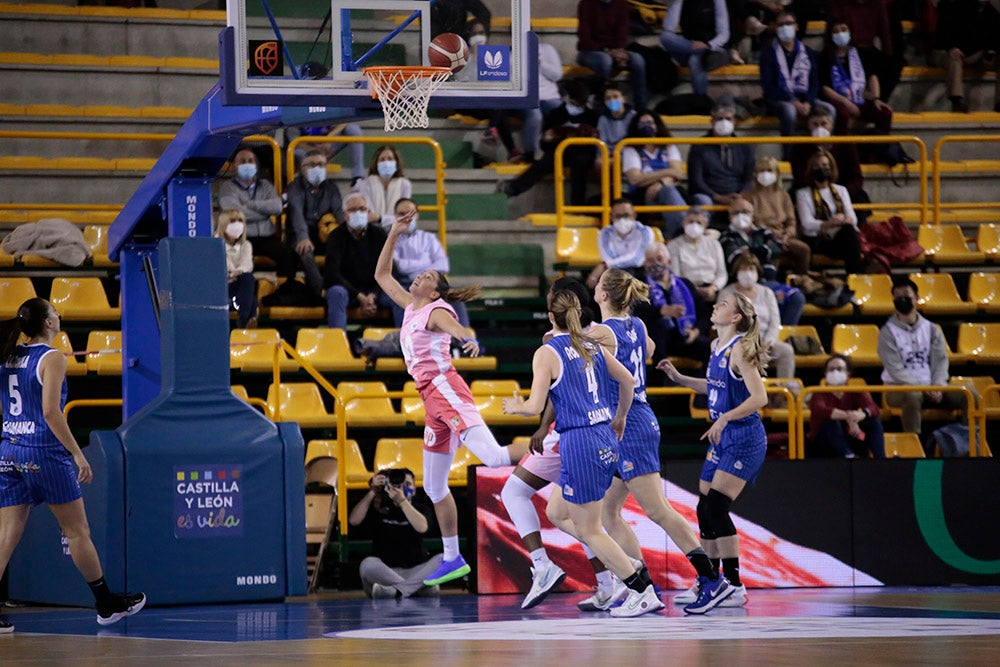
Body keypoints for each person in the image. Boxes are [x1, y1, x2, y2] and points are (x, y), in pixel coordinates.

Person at [374, 213, 528, 587]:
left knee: (491, 458)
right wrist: (394, 233)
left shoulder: (436, 310)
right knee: (434, 487)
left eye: (427, 277)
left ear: (436, 291)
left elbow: (454, 326)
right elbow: (381, 276)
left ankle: (558, 446)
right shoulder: (411, 307)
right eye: (420, 274)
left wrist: (466, 338)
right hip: (431, 400)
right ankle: (453, 557)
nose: (419, 277)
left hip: (445, 388)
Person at [502, 289, 663, 618]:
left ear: (551, 317)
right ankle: (624, 560)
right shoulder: (592, 344)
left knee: (591, 529)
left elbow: (534, 405)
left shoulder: (548, 352)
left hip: (580, 442)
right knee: (557, 512)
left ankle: (639, 588)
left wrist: (514, 407)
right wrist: (619, 418)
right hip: (605, 436)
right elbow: (629, 380)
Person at [0, 299, 147, 633]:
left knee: (6, 534)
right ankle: (106, 604)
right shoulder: (52, 358)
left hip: (9, 449)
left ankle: (107, 602)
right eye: (54, 310)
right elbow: (51, 411)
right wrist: (77, 455)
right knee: (77, 531)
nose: (59, 314)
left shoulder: (9, 355)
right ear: (48, 323)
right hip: (43, 452)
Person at [591, 269, 729, 606]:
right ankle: (643, 587)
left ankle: (712, 577)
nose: (593, 287)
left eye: (597, 285)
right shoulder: (636, 325)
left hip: (630, 423)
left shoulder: (602, 332)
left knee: (658, 510)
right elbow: (649, 350)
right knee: (608, 512)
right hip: (632, 421)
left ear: (605, 295)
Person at [657, 291, 769, 614]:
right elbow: (714, 385)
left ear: (735, 318)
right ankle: (710, 581)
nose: (715, 307)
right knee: (704, 509)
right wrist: (679, 379)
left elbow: (759, 397)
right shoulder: (714, 346)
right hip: (723, 435)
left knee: (716, 507)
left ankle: (733, 584)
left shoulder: (740, 351)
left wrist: (725, 417)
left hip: (744, 436)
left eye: (723, 305)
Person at [878, 277, 967, 437]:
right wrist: (922, 388)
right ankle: (914, 444)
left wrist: (938, 386)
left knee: (968, 395)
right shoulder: (887, 332)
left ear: (917, 298)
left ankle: (969, 440)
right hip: (898, 388)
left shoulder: (932, 329)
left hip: (932, 387)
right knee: (913, 395)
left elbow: (940, 361)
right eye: (897, 297)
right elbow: (894, 369)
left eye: (906, 295)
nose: (902, 299)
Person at [498, 79, 599, 206]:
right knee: (544, 162)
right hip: (560, 151)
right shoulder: (556, 114)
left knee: (580, 164)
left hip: (583, 152)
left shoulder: (592, 116)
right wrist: (548, 138)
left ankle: (577, 205)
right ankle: (513, 188)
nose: (576, 105)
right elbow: (544, 143)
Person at [348, 467, 442, 598]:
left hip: (415, 571)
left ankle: (396, 591)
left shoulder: (421, 508)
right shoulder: (379, 507)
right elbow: (354, 520)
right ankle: (415, 589)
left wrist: (402, 501)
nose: (402, 489)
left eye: (407, 485)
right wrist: (372, 491)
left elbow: (422, 527)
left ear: (414, 490)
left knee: (443, 559)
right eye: (398, 485)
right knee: (367, 564)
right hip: (385, 573)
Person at [759, 10, 836, 158]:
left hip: (805, 98)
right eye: (781, 24)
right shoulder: (768, 55)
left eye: (789, 23)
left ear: (797, 27)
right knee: (789, 111)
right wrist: (793, 102)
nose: (785, 27)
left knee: (830, 110)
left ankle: (825, 154)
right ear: (775, 28)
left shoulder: (807, 52)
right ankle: (789, 157)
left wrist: (808, 101)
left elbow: (814, 82)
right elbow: (768, 87)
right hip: (779, 99)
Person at [217, 147, 298, 280]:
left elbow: (277, 207)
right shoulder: (228, 187)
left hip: (267, 236)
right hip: (241, 238)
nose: (247, 164)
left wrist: (249, 205)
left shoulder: (265, 185)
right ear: (234, 166)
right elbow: (232, 212)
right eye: (242, 161)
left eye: (250, 161)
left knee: (288, 254)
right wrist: (265, 211)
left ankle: (284, 291)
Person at [389, 197, 470, 328]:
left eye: (410, 213)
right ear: (395, 217)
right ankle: (406, 344)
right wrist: (426, 263)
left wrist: (414, 268)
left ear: (417, 215)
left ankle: (465, 342)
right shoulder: (392, 240)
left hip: (432, 284)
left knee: (454, 296)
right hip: (406, 284)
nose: (406, 217)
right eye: (401, 214)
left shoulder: (429, 238)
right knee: (403, 298)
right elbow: (400, 267)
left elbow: (443, 266)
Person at [719, 254, 795, 381]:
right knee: (745, 356)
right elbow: (724, 324)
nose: (747, 273)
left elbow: (775, 322)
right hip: (740, 343)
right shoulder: (727, 294)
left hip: (765, 342)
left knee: (786, 351)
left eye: (751, 269)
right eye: (743, 269)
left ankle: (783, 393)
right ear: (736, 272)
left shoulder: (767, 293)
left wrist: (767, 344)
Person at [323, 192, 393, 330]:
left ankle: (406, 345)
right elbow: (332, 274)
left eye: (361, 209)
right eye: (352, 210)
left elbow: (387, 269)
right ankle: (338, 345)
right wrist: (360, 297)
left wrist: (373, 295)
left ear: (368, 212)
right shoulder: (335, 237)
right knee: (336, 293)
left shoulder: (380, 235)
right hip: (347, 290)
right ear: (345, 215)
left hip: (375, 290)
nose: (358, 213)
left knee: (399, 295)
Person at [635, 241, 712, 365]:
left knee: (709, 347)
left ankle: (707, 383)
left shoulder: (685, 284)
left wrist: (696, 331)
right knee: (658, 327)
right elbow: (637, 312)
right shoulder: (640, 286)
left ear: (669, 262)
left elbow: (705, 314)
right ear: (645, 265)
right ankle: (663, 381)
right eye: (650, 260)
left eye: (659, 259)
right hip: (657, 341)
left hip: (687, 336)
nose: (656, 264)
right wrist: (661, 311)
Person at [789, 106, 868, 222]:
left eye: (823, 123)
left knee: (860, 199)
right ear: (809, 126)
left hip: (842, 190)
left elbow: (856, 177)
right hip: (811, 189)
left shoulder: (846, 144)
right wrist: (821, 191)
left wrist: (839, 193)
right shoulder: (800, 147)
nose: (819, 128)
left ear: (831, 125)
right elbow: (799, 178)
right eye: (815, 124)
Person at [794, 149, 866, 274]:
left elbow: (853, 219)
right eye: (817, 166)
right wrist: (829, 223)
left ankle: (855, 279)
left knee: (849, 232)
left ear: (831, 168)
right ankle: (857, 276)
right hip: (818, 239)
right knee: (850, 239)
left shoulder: (841, 190)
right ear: (811, 170)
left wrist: (843, 219)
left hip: (840, 237)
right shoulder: (803, 193)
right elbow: (807, 223)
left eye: (825, 165)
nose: (821, 169)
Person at [687, 100, 756, 226]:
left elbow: (748, 179)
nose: (724, 122)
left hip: (737, 195)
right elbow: (696, 181)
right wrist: (718, 197)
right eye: (719, 119)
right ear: (712, 121)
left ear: (734, 121)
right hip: (709, 195)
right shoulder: (699, 146)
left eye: (728, 119)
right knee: (703, 201)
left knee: (750, 202)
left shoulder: (745, 147)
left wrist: (739, 196)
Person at [819, 19, 893, 137]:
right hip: (838, 99)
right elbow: (825, 88)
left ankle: (879, 148)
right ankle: (841, 149)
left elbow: (872, 77)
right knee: (842, 113)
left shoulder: (862, 53)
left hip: (860, 97)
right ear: (830, 35)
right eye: (836, 31)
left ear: (850, 32)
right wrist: (847, 103)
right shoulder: (824, 57)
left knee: (885, 113)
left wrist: (876, 98)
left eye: (843, 30)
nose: (840, 34)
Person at [285, 149, 343, 296]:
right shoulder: (294, 187)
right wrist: (303, 237)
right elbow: (296, 214)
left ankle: (340, 287)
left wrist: (348, 233)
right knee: (305, 252)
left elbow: (339, 212)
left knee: (341, 247)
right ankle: (321, 292)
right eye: (312, 165)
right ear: (302, 168)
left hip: (322, 233)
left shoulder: (331, 188)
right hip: (299, 233)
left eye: (321, 164)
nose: (317, 168)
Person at [620, 111, 687, 237]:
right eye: (643, 123)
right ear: (636, 127)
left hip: (667, 193)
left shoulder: (668, 146)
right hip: (644, 197)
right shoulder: (630, 148)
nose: (647, 126)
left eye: (650, 123)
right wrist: (667, 172)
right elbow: (635, 179)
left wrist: (661, 183)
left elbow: (678, 173)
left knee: (669, 192)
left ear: (657, 125)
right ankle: (683, 232)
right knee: (669, 192)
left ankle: (677, 234)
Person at [742, 155, 811, 276]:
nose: (765, 174)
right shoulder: (748, 196)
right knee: (773, 252)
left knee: (803, 249)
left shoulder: (784, 195)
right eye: (761, 171)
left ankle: (800, 281)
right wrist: (769, 235)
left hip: (783, 236)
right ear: (755, 174)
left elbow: (791, 221)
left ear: (777, 173)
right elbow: (748, 222)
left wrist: (787, 235)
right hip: (760, 238)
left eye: (769, 170)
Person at [929, 0, 1000, 113]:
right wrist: (951, 47)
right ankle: (956, 101)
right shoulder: (956, 7)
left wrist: (990, 51)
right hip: (946, 51)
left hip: (971, 53)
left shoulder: (992, 13)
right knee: (955, 58)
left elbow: (993, 38)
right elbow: (942, 35)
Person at [809, 354, 885, 459]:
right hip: (825, 442)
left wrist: (861, 415)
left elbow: (874, 408)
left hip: (852, 435)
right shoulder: (818, 393)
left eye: (839, 369)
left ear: (848, 374)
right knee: (830, 422)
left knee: (873, 421)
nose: (835, 372)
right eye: (831, 369)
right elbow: (822, 410)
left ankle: (880, 459)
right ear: (825, 374)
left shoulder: (854, 391)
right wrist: (850, 417)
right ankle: (848, 455)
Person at [576, 0, 648, 110]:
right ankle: (603, 103)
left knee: (638, 60)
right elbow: (584, 37)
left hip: (613, 51)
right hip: (589, 51)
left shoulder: (621, 4)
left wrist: (620, 51)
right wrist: (607, 51)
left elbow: (622, 31)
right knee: (605, 61)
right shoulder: (586, 3)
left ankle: (641, 108)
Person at [660, 0, 732, 96]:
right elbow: (669, 28)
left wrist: (709, 45)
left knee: (694, 59)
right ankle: (701, 51)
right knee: (665, 36)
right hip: (688, 47)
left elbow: (724, 33)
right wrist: (677, 2)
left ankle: (701, 100)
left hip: (712, 48)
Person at [587, 198, 655, 289]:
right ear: (611, 217)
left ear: (634, 215)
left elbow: (637, 259)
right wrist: (606, 265)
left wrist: (604, 265)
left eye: (626, 215)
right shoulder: (605, 233)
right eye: (618, 216)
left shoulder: (645, 232)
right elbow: (607, 257)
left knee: (629, 275)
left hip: (639, 273)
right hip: (614, 273)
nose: (622, 220)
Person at [667, 206, 728, 305]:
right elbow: (676, 276)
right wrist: (695, 290)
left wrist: (713, 288)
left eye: (699, 223)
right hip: (687, 290)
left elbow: (722, 274)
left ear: (705, 226)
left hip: (713, 290)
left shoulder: (714, 244)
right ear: (683, 224)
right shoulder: (674, 245)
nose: (694, 225)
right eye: (691, 222)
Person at [215, 209, 258, 329]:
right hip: (222, 288)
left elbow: (248, 265)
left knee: (248, 279)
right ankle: (249, 318)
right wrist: (236, 272)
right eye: (233, 221)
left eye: (240, 221)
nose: (237, 224)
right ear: (224, 224)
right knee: (251, 294)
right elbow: (225, 267)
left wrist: (236, 272)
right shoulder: (215, 244)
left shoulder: (246, 245)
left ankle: (244, 319)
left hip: (239, 287)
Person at [353, 145, 413, 231]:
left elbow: (404, 215)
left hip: (398, 232)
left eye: (390, 159)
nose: (386, 162)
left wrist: (380, 218)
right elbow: (370, 215)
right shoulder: (364, 184)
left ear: (396, 162)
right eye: (382, 159)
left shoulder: (405, 184)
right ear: (376, 163)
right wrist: (389, 219)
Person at [719, 196, 782, 276]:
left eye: (745, 212)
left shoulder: (764, 232)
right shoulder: (725, 236)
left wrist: (750, 250)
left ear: (753, 216)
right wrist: (764, 250)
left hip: (768, 277)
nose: (740, 216)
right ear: (729, 217)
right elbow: (736, 258)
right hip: (740, 278)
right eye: (735, 213)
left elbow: (777, 249)